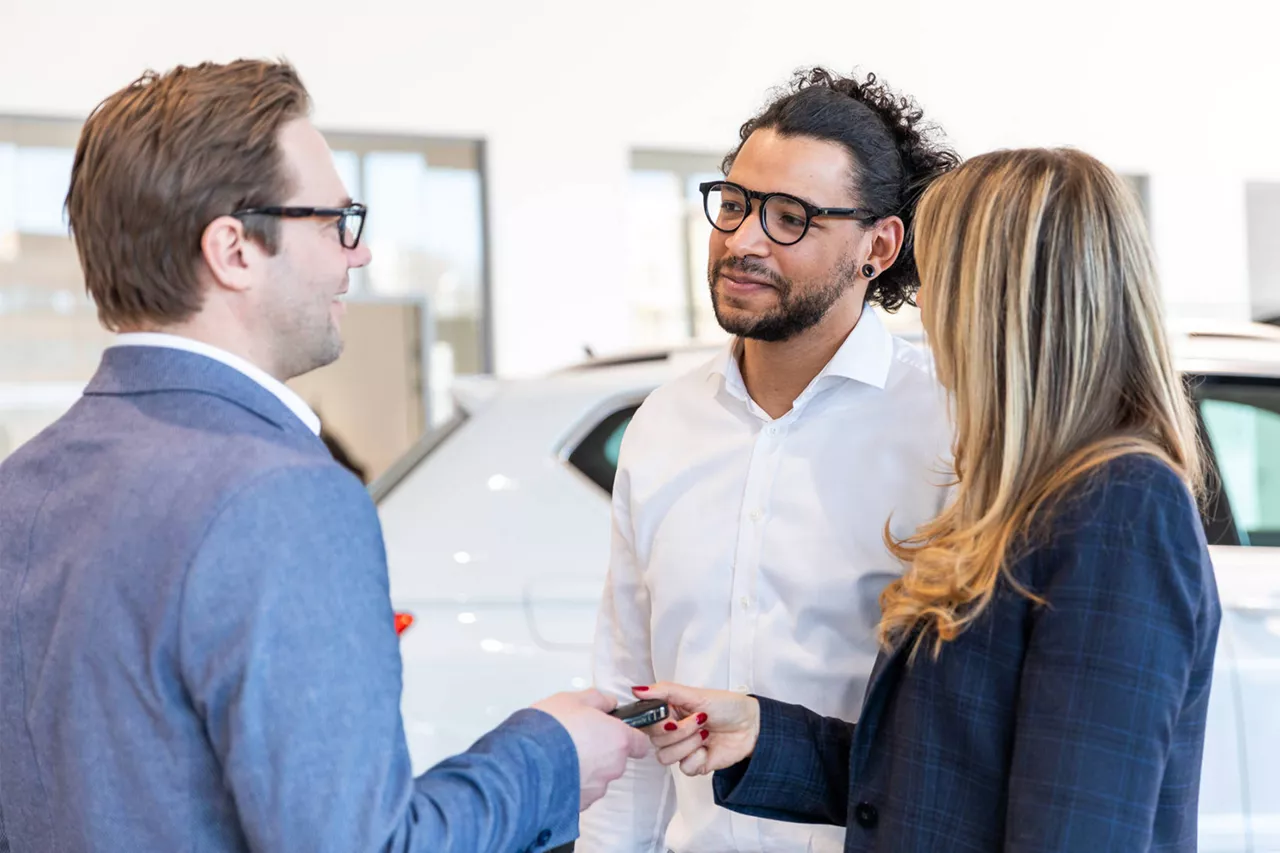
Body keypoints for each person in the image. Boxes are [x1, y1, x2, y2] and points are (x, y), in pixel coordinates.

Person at [0, 59, 646, 853]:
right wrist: (550, 754)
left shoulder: (22, 483)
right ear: (234, 249)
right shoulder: (284, 496)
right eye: (336, 220)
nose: (359, 255)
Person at [639, 148, 1221, 852]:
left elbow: (1075, 828)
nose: (924, 307)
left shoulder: (1121, 504)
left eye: (940, 280)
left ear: (1001, 300)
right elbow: (944, 780)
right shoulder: (1030, 490)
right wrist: (763, 732)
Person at [578, 68, 958, 853]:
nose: (743, 240)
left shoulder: (947, 428)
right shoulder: (663, 425)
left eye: (791, 218)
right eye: (736, 204)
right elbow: (632, 704)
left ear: (878, 247)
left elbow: (962, 735)